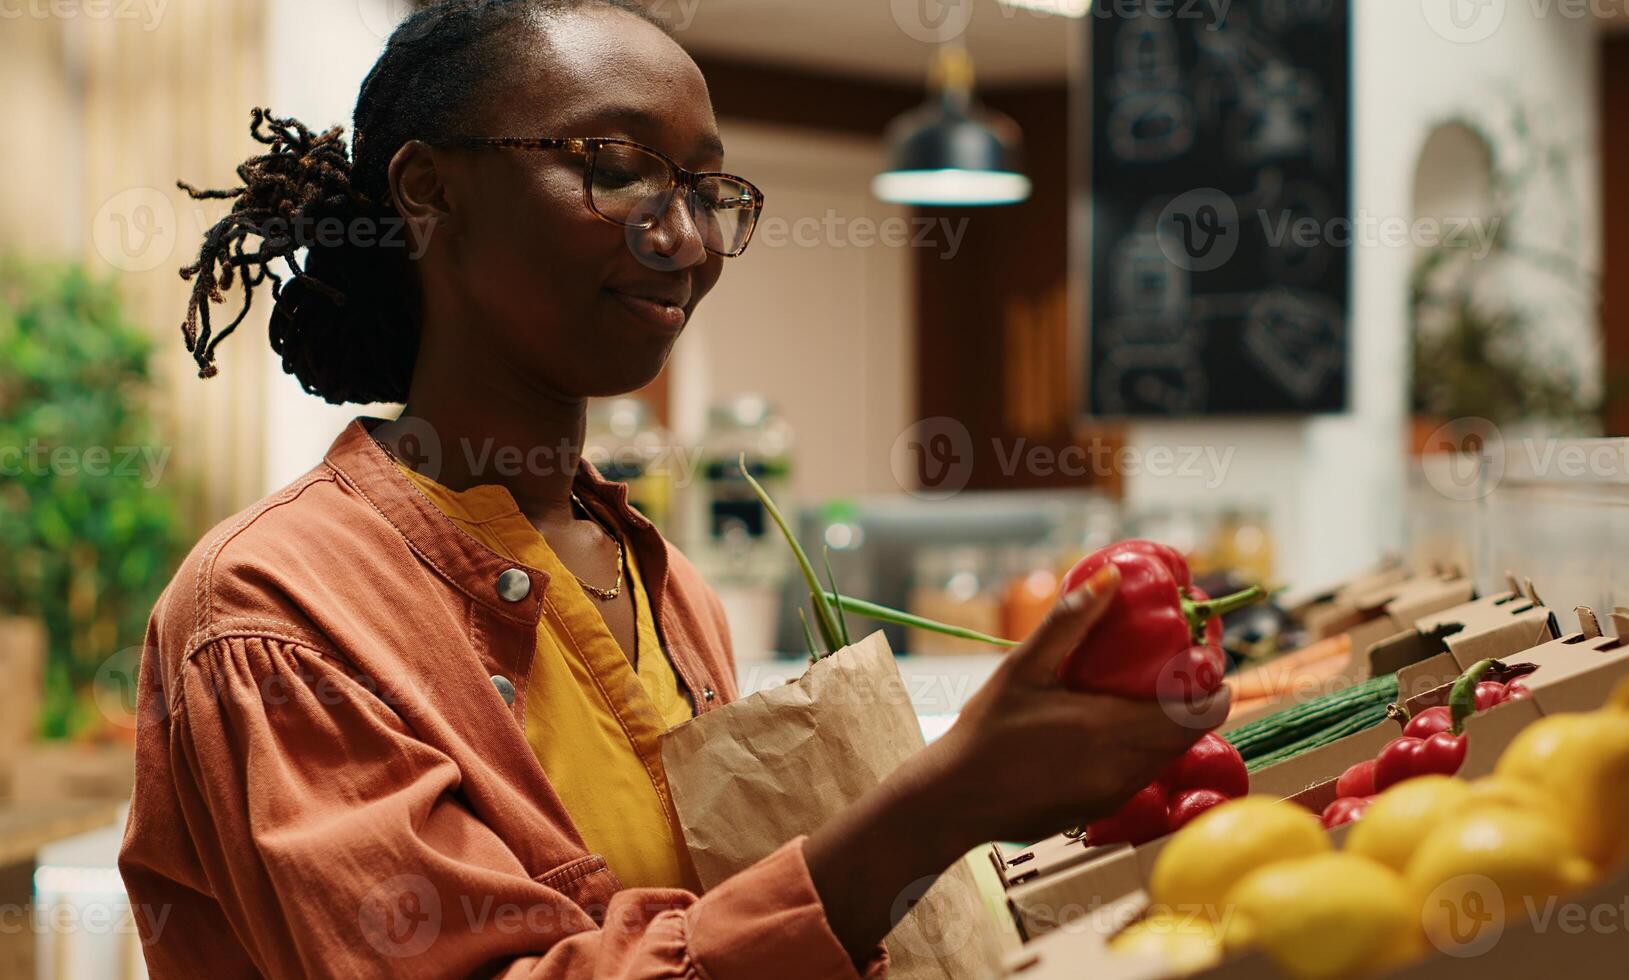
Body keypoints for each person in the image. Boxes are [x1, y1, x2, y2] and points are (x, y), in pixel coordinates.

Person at [119, 2, 1227, 976]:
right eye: (617, 165)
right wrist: (937, 804)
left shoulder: (662, 581)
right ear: (427, 190)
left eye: (705, 187)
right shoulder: (275, 612)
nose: (686, 234)